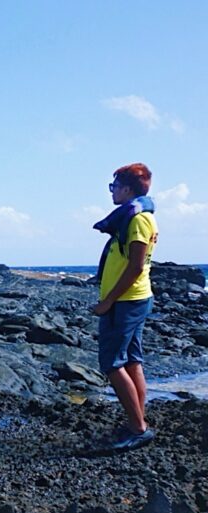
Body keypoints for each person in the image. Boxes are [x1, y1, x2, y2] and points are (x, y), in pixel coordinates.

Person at [91, 162, 158, 451]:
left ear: (127, 189)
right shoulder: (135, 217)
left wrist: (108, 301)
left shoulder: (138, 220)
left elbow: (135, 266)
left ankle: (138, 428)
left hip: (127, 301)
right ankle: (136, 421)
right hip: (131, 300)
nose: (112, 192)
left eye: (114, 186)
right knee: (131, 360)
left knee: (111, 363)